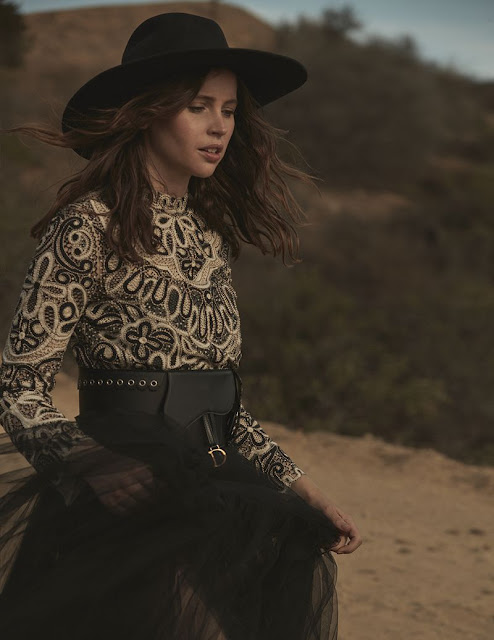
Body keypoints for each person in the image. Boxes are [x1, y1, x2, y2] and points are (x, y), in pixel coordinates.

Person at [0, 12, 362, 640]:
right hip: (128, 499)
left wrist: (305, 490)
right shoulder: (88, 226)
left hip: (218, 494)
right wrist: (90, 465)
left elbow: (224, 407)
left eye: (229, 110)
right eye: (199, 107)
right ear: (148, 112)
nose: (220, 126)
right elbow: (18, 385)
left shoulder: (209, 237)